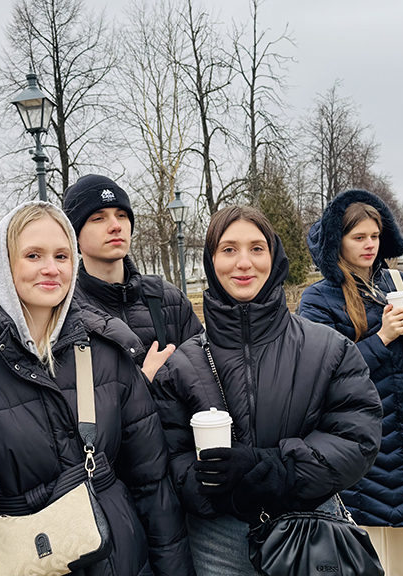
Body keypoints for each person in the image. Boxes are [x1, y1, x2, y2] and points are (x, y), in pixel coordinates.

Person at [0, 201, 193, 576]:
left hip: (123, 559)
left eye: (62, 255)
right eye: (33, 255)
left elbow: (152, 487)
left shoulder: (108, 354)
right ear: (4, 264)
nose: (51, 268)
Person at [150, 205, 383, 575]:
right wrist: (216, 489)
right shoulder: (181, 365)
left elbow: (357, 438)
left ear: (274, 258)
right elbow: (170, 457)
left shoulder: (329, 348)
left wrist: (277, 469)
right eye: (229, 249)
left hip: (310, 528)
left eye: (257, 249)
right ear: (211, 261)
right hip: (217, 541)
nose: (244, 263)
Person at [298, 189, 403, 575]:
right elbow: (322, 375)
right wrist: (384, 337)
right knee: (363, 549)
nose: (369, 245)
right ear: (338, 241)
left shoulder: (399, 282)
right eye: (358, 237)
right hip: (354, 436)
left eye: (375, 236)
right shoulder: (318, 299)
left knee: (402, 557)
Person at [63, 174, 203, 380]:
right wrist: (145, 380)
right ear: (75, 236)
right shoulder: (65, 312)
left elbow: (205, 378)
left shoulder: (170, 299)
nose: (116, 226)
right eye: (98, 218)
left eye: (121, 215)